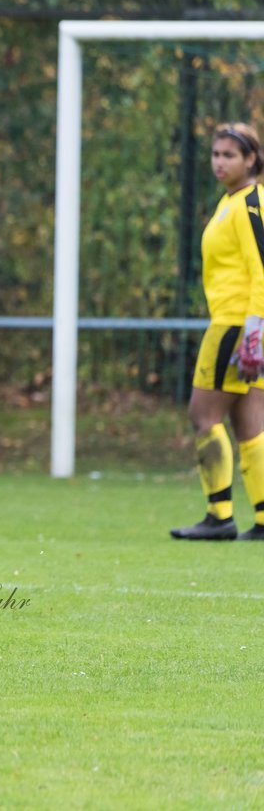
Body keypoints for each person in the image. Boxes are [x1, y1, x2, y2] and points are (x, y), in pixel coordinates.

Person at [171, 122, 264, 541]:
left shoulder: (250, 203)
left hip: (235, 324)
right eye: (215, 154)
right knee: (250, 425)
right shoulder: (231, 201)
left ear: (252, 159)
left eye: (229, 155)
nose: (219, 162)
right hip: (240, 322)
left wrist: (254, 332)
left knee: (202, 415)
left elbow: (261, 268)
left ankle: (219, 516)